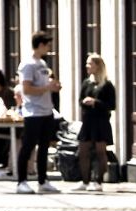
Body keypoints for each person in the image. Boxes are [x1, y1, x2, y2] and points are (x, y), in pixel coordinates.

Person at [15, 30, 63, 194]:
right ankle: (21, 181)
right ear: (41, 45)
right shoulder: (28, 64)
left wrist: (53, 87)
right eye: (48, 45)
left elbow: (43, 86)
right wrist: (47, 88)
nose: (49, 48)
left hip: (46, 110)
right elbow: (27, 89)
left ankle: (43, 180)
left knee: (44, 146)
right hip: (33, 112)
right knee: (28, 146)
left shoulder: (42, 64)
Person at [72, 54, 115, 192]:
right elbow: (80, 99)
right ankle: (85, 181)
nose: (87, 66)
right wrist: (84, 103)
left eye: (90, 64)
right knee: (83, 150)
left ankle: (98, 181)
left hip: (101, 122)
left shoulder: (107, 85)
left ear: (98, 66)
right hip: (88, 121)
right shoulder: (86, 83)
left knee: (100, 151)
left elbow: (111, 105)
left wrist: (96, 102)